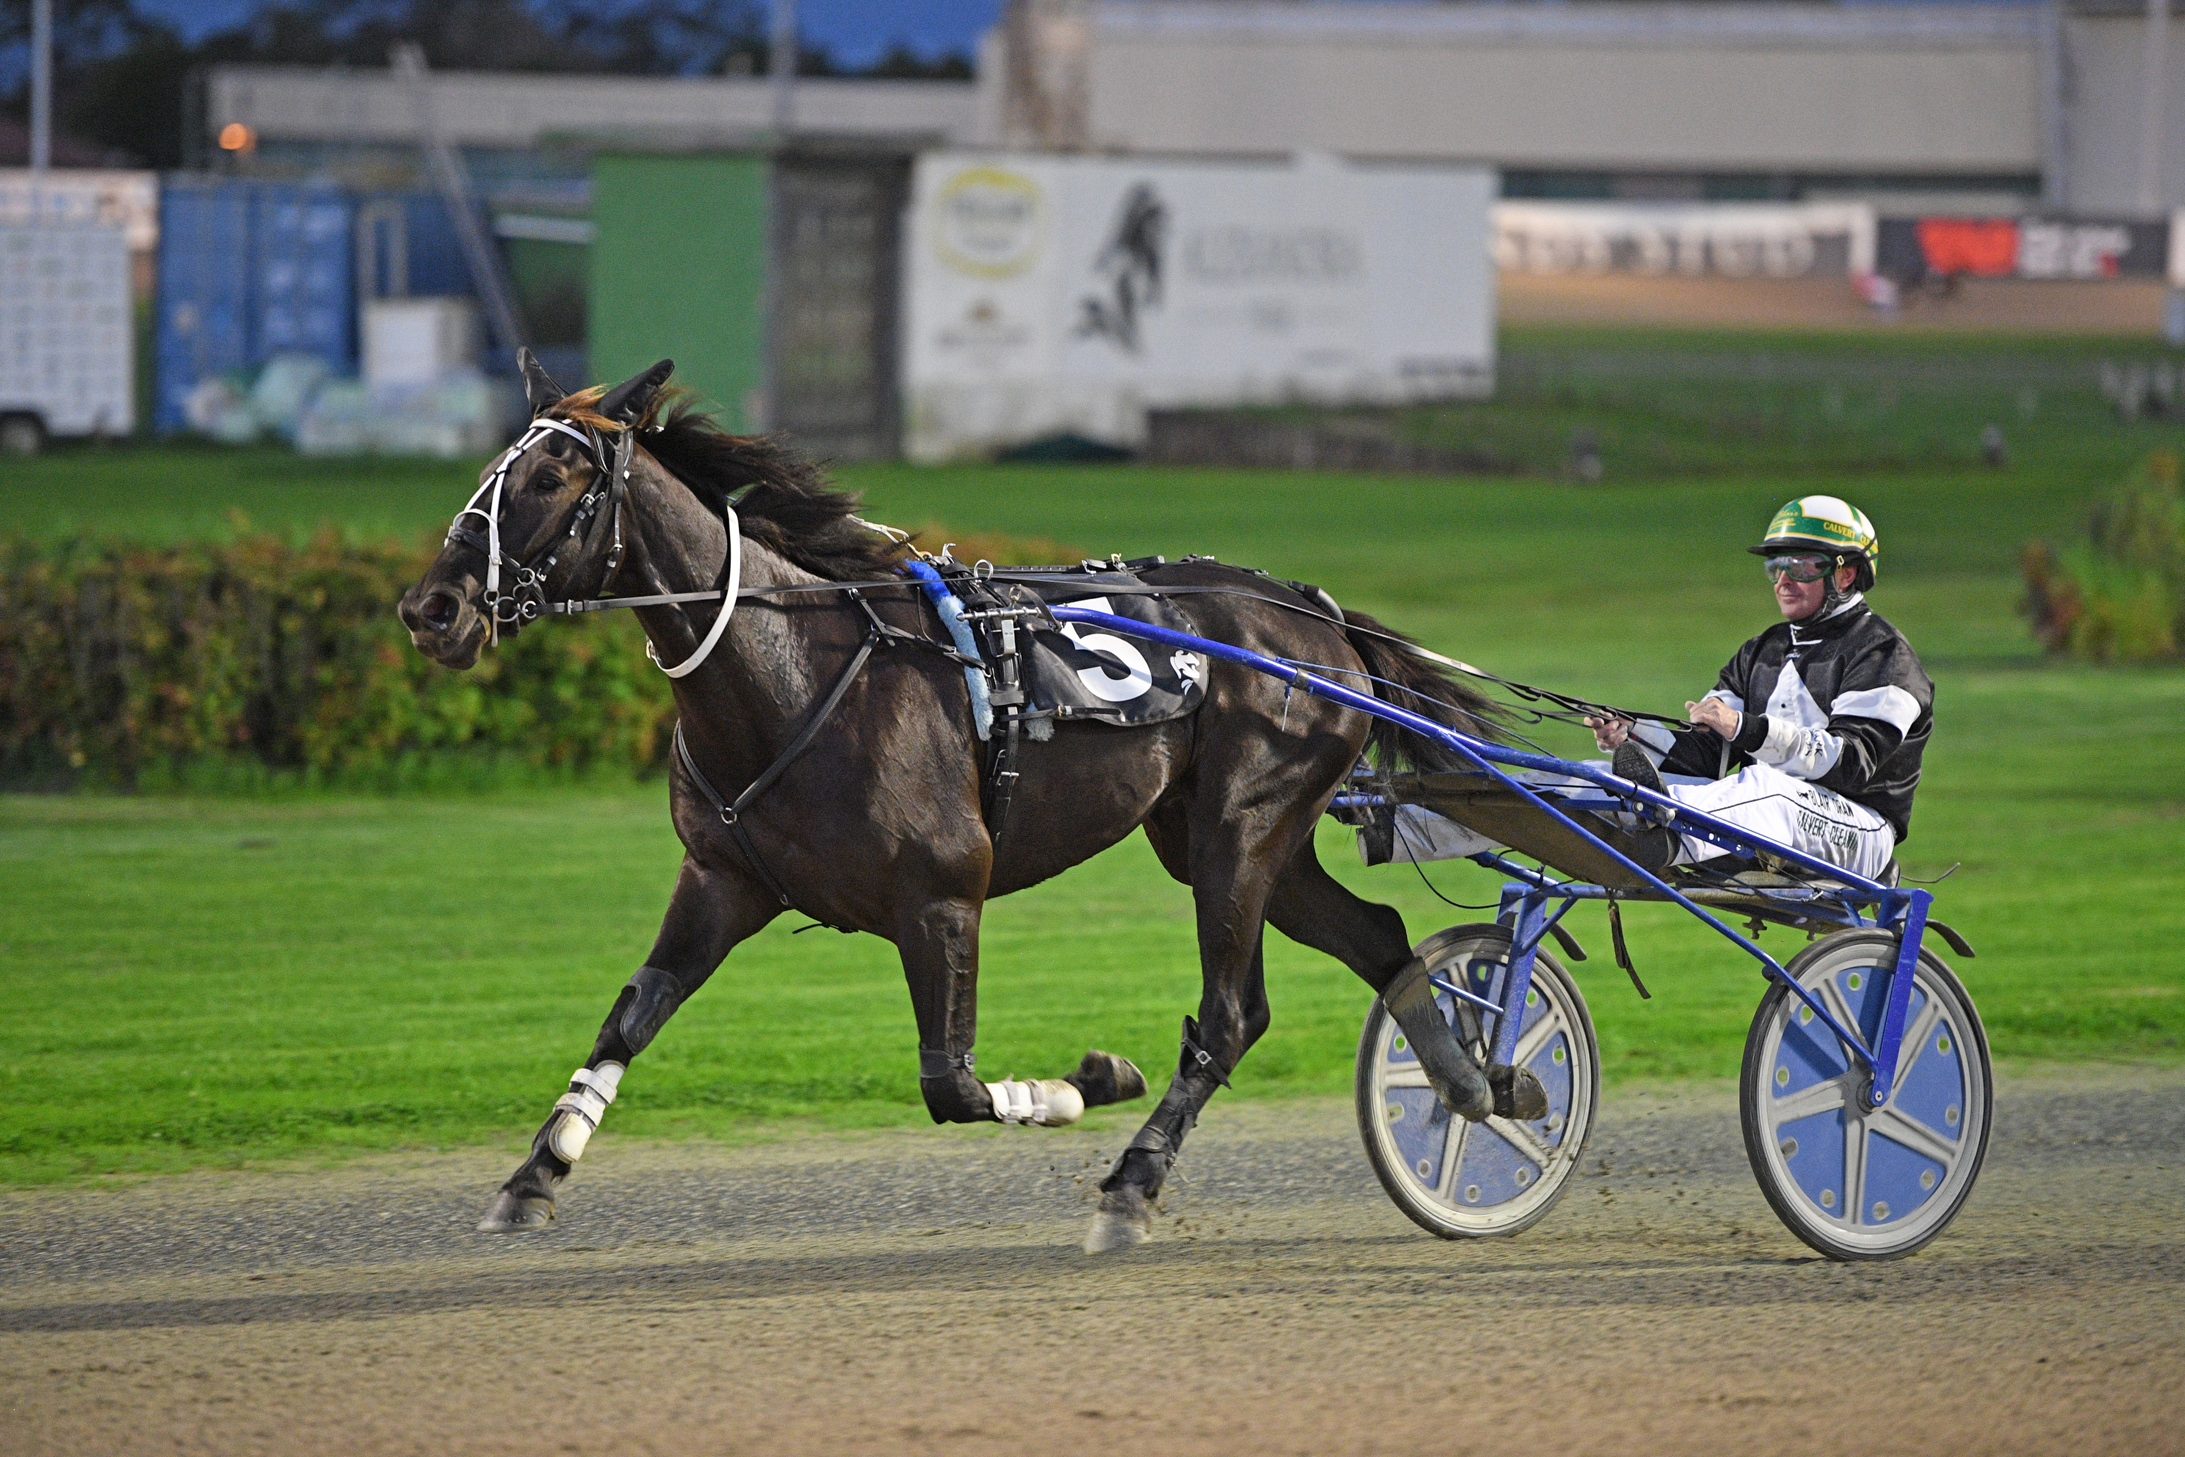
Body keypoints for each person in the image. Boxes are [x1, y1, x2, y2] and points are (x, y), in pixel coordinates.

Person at [1586, 495, 1932, 882]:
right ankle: (1534, 802)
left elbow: (1850, 765)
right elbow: (1705, 757)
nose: (1783, 581)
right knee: (1596, 777)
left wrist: (1747, 728)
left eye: (1800, 566)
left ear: (1846, 574)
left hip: (1860, 831)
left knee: (1769, 788)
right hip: (1764, 813)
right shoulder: (1760, 651)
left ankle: (1655, 822)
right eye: (1776, 566)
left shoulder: (1884, 654)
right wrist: (1634, 733)